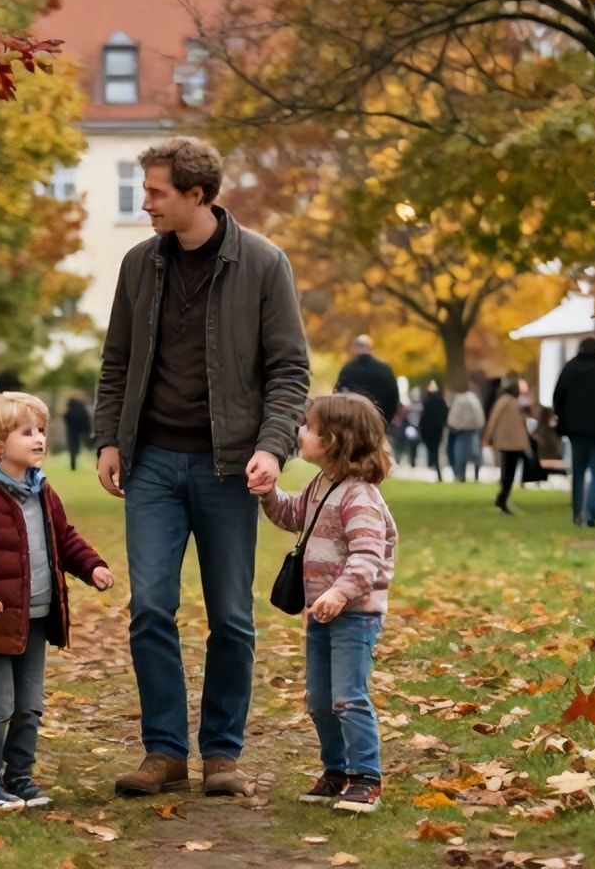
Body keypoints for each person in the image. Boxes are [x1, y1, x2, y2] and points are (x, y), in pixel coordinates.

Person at [94, 136, 310, 798]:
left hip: (227, 468)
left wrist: (271, 448)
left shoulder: (264, 264)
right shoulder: (139, 265)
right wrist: (109, 439)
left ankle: (222, 755)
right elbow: (116, 364)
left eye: (156, 192)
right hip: (152, 464)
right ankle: (163, 752)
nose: (146, 202)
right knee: (151, 608)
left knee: (230, 618)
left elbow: (289, 372)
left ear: (196, 195)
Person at [0, 392, 113, 810]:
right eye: (27, 433)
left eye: (40, 431)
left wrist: (91, 566)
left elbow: (65, 538)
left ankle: (18, 777)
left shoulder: (42, 491)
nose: (39, 438)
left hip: (36, 618)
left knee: (30, 705)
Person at [259, 393, 398, 815]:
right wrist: (268, 494)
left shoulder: (361, 497)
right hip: (322, 613)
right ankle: (335, 770)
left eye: (307, 427)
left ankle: (365, 777)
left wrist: (339, 592)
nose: (300, 433)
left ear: (333, 439)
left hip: (354, 616)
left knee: (348, 697)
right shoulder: (323, 485)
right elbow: (291, 516)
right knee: (320, 699)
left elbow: (368, 557)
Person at [552, 337, 595, 527]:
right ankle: (591, 514)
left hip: (576, 430)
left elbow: (558, 397)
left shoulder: (570, 369)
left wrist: (563, 419)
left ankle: (577, 513)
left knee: (578, 473)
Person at [484, 372, 531, 515]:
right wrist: (487, 438)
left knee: (509, 473)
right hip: (509, 443)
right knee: (508, 474)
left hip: (512, 443)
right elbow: (494, 420)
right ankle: (502, 499)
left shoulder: (509, 402)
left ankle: (502, 499)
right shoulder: (506, 401)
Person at [334, 335, 400, 426]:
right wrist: (385, 422)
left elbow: (337, 394)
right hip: (377, 423)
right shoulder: (384, 369)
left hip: (351, 424)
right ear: (370, 348)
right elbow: (394, 397)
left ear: (355, 348)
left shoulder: (348, 369)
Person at [445, 385, 485, 483]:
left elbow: (453, 419)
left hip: (462, 433)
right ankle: (475, 477)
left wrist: (455, 426)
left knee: (461, 457)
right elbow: (479, 418)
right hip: (471, 432)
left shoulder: (460, 400)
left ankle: (461, 476)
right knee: (474, 456)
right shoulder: (474, 400)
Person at [416, 381, 447, 481]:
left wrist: (420, 427)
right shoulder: (441, 401)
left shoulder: (427, 401)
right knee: (436, 449)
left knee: (432, 450)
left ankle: (433, 464)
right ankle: (435, 466)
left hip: (428, 429)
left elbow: (424, 416)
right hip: (438, 429)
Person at [63, 396, 92, 472]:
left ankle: (73, 466)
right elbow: (86, 419)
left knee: (73, 449)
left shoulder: (71, 409)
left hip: (73, 431)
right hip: (82, 430)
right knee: (86, 445)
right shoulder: (81, 408)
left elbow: (66, 417)